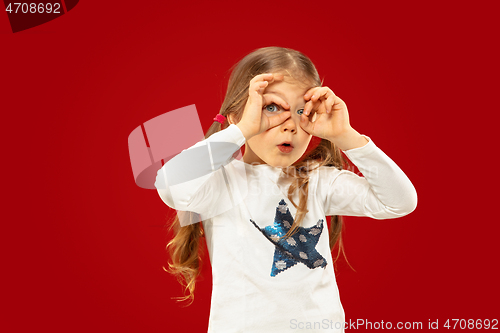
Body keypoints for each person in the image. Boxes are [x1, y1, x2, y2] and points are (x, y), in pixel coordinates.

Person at [154, 46, 417, 332]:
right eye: (271, 107)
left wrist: (346, 135)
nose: (289, 125)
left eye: (302, 111)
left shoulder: (316, 180)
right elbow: (171, 184)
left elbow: (400, 201)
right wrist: (242, 130)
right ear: (237, 114)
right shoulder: (222, 182)